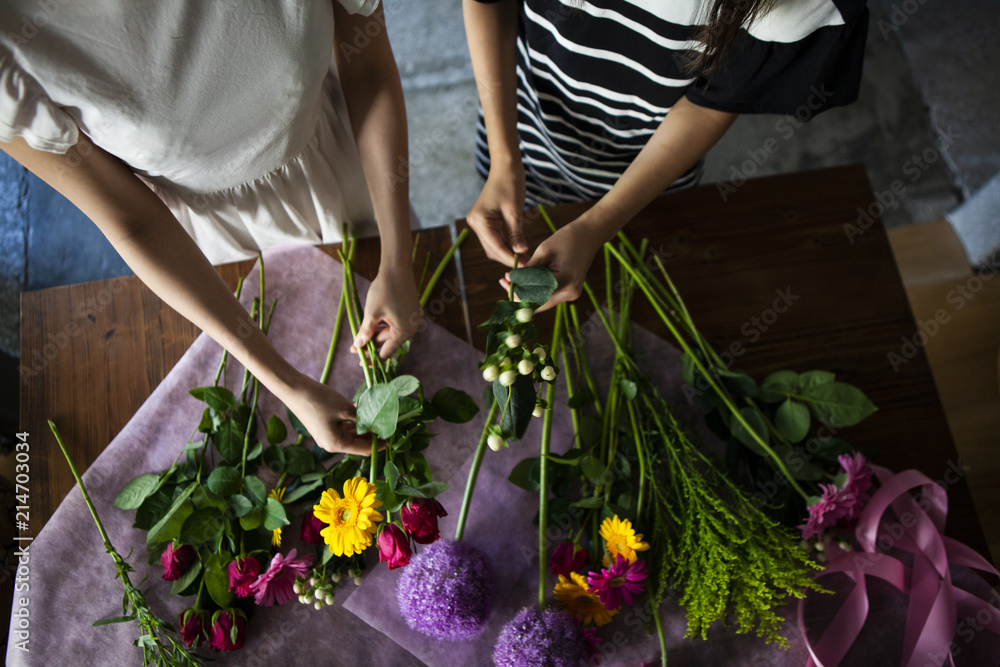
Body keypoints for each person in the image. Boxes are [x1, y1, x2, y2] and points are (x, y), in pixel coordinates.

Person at [1, 1, 421, 454]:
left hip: (348, 166)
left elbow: (368, 73)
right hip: (201, 247)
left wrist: (396, 260)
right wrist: (291, 386)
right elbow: (134, 222)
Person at [463, 0, 867, 307]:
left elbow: (713, 101)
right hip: (521, 119)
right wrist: (504, 157)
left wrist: (598, 224)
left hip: (650, 166)